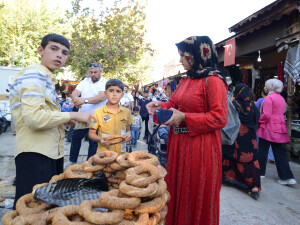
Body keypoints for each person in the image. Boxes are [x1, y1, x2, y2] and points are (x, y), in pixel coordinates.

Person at [146, 36, 228, 225]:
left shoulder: (214, 81)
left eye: (184, 56)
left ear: (197, 56)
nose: (181, 60)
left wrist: (185, 118)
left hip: (201, 147)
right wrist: (160, 105)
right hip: (178, 145)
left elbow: (219, 117)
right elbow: (173, 104)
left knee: (195, 191)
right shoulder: (185, 81)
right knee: (176, 189)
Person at [9, 33, 95, 209]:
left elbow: (42, 114)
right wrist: (73, 115)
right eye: (54, 49)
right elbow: (34, 119)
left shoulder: (47, 78)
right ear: (41, 50)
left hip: (49, 154)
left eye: (64, 53)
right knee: (31, 212)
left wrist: (62, 121)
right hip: (35, 155)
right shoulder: (35, 73)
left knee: (45, 211)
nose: (59, 56)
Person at [64, 63, 107, 168]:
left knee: (93, 141)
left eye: (95, 72)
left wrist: (84, 100)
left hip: (95, 118)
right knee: (76, 137)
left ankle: (90, 163)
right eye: (91, 72)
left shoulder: (105, 82)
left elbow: (101, 97)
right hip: (82, 117)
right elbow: (75, 92)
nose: (93, 74)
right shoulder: (85, 81)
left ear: (100, 72)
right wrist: (76, 100)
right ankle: (72, 160)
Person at [222, 84, 261, 200]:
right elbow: (257, 121)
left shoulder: (234, 105)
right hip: (251, 140)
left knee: (233, 157)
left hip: (237, 138)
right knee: (250, 161)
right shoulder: (253, 107)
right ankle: (254, 187)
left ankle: (230, 180)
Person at [257, 79, 297, 185]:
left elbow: (266, 115)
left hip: (268, 127)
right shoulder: (281, 99)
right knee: (280, 152)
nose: (264, 88)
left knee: (262, 151)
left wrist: (259, 120)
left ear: (271, 87)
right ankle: (287, 177)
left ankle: (260, 173)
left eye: (266, 85)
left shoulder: (269, 98)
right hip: (279, 128)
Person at [89, 79, 133, 154]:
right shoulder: (97, 112)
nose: (114, 94)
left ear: (122, 95)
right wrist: (100, 139)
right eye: (111, 91)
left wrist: (129, 134)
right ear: (105, 93)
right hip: (104, 154)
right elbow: (91, 133)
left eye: (118, 91)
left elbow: (128, 130)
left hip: (121, 154)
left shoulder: (126, 112)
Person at [255, 90, 275, 163]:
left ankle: (257, 155)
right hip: (271, 123)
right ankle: (271, 158)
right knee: (269, 141)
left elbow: (255, 109)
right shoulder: (273, 100)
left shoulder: (261, 100)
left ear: (262, 93)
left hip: (262, 122)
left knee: (259, 139)